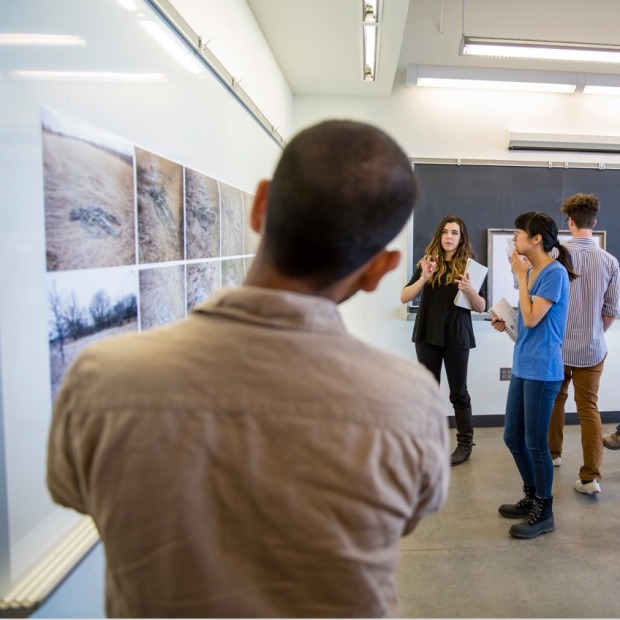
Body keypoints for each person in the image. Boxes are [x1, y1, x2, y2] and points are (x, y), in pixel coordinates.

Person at [46, 120, 450, 618]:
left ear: (260, 205)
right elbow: (413, 511)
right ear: (379, 269)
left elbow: (72, 491)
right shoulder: (410, 400)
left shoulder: (101, 377)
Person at [491, 212, 575, 539]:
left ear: (536, 238)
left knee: (535, 444)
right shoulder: (534, 272)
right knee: (512, 437)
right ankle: (531, 495)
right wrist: (505, 321)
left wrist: (521, 277)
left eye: (518, 234)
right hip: (525, 365)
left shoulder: (553, 274)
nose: (515, 239)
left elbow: (531, 318)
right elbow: (524, 320)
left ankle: (545, 510)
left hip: (544, 370)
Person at [548, 193, 619, 495]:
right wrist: (592, 331)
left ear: (570, 221)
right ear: (595, 222)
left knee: (556, 400)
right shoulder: (609, 261)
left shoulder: (555, 256)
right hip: (592, 349)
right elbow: (610, 311)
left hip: (558, 347)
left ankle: (553, 455)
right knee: (589, 408)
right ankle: (590, 479)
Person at [400, 216, 486, 466]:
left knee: (458, 392)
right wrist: (424, 277)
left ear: (462, 238)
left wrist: (470, 289)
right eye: (445, 232)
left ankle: (464, 444)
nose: (449, 237)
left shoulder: (472, 268)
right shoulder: (428, 264)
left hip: (457, 335)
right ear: (439, 236)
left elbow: (481, 307)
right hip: (428, 333)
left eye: (455, 233)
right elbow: (405, 296)